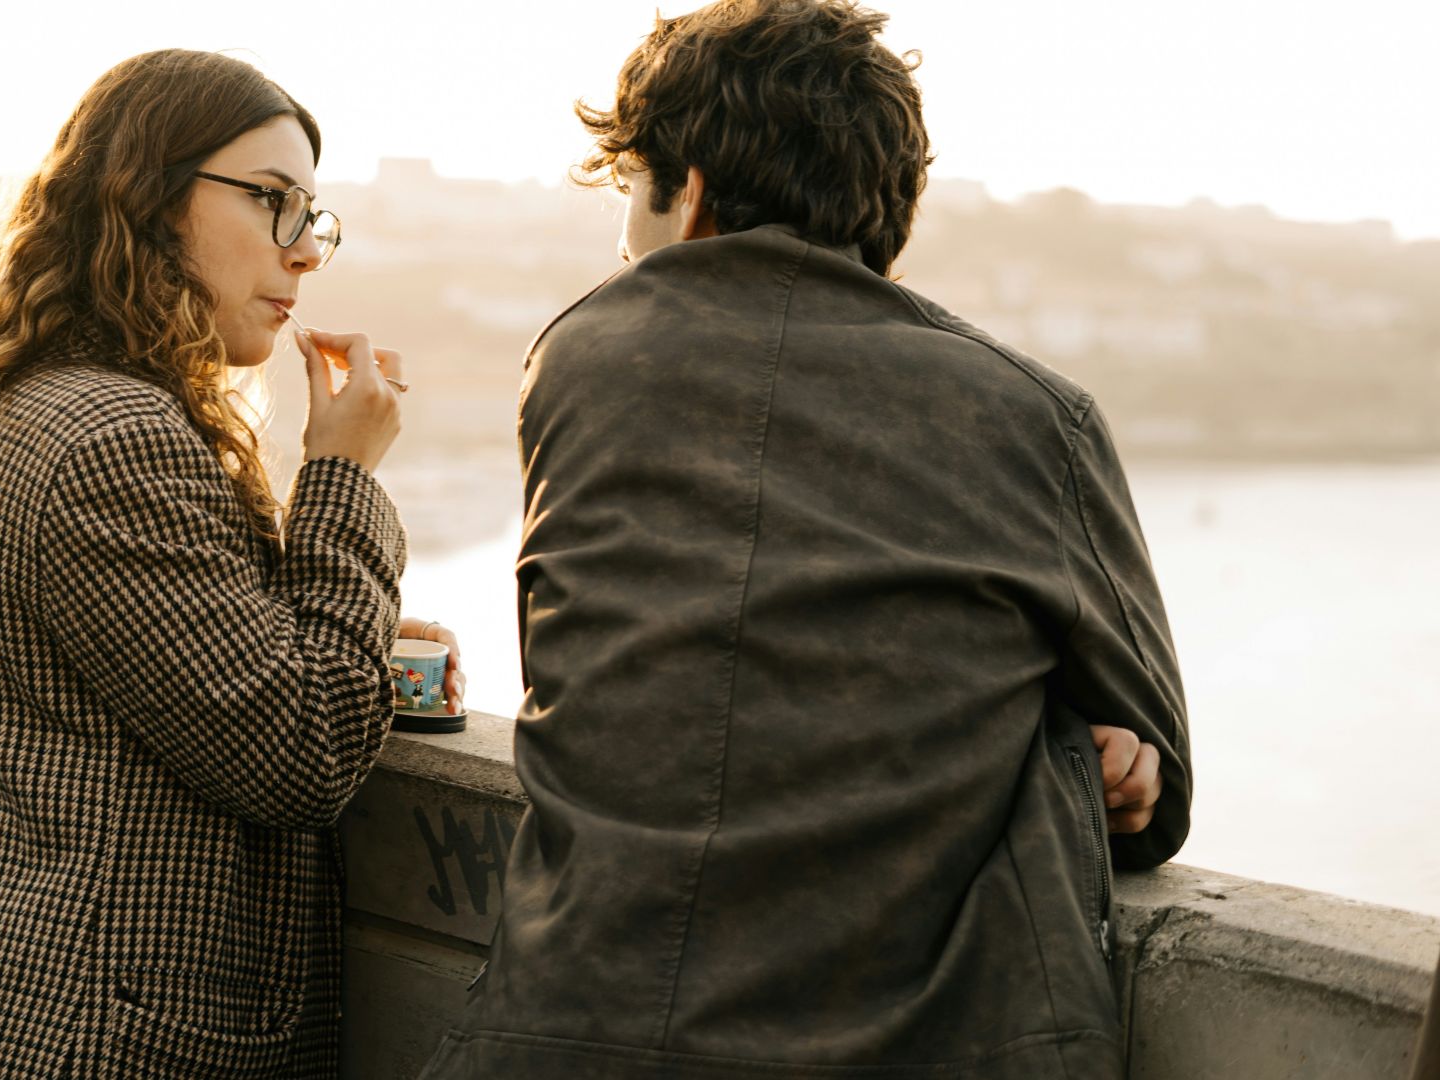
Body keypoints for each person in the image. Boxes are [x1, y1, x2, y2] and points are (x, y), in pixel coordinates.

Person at [418, 2, 1189, 1077]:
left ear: (688, 194)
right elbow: (1159, 789)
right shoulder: (1033, 417)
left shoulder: (579, 361)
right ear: (889, 215)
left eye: (630, 196)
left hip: (562, 1030)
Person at [0, 49, 462, 1078]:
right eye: (272, 200)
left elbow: (163, 653)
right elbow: (301, 752)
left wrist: (328, 621)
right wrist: (343, 473)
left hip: (39, 1020)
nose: (304, 253)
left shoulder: (47, 399)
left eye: (312, 215)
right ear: (148, 196)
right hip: (111, 1042)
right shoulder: (116, 438)